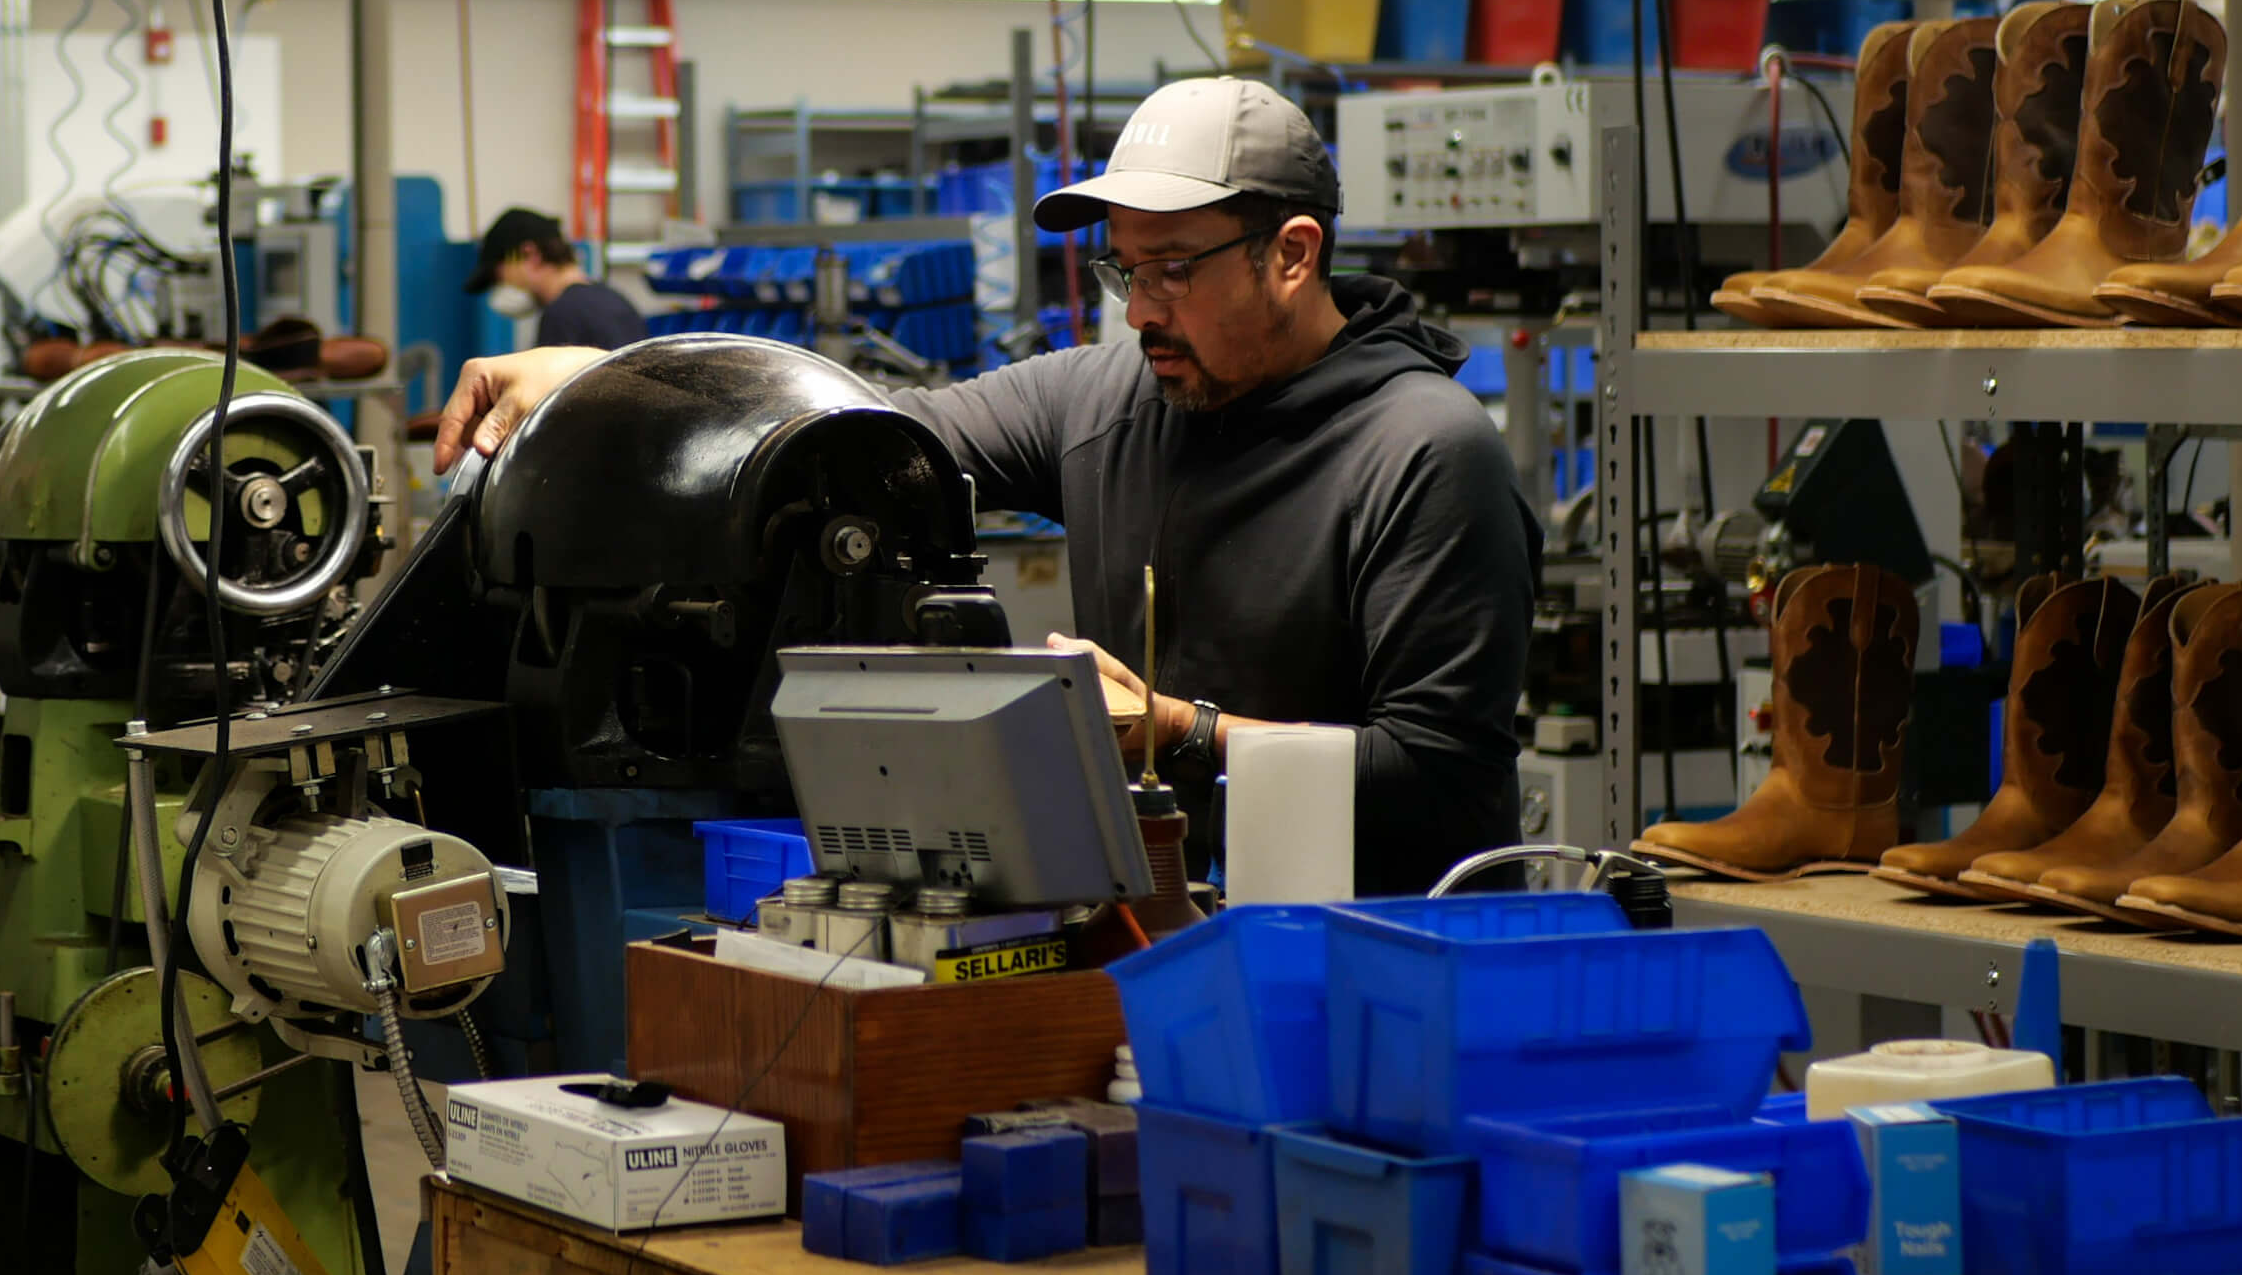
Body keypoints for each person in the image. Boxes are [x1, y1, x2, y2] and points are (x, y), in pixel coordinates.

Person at [438, 77, 1540, 894]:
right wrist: (611, 378)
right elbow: (852, 438)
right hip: (1178, 929)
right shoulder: (1109, 398)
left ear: (1293, 255)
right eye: (1123, 268)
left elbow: (1441, 776)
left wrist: (1176, 729)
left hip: (1390, 951)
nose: (1139, 310)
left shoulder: (1426, 453)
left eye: (1174, 271)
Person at [467, 207, 644, 352]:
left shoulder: (562, 315)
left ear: (530, 254)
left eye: (500, 276)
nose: (502, 286)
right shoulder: (614, 299)